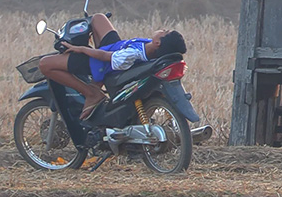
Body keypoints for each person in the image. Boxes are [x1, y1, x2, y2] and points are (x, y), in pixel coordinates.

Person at [37, 13, 187, 120]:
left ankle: (91, 93)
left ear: (158, 43)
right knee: (98, 18)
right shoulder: (150, 47)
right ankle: (96, 83)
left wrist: (81, 49)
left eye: (164, 32)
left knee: (45, 64)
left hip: (99, 63)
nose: (162, 29)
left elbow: (103, 57)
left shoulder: (131, 54)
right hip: (113, 48)